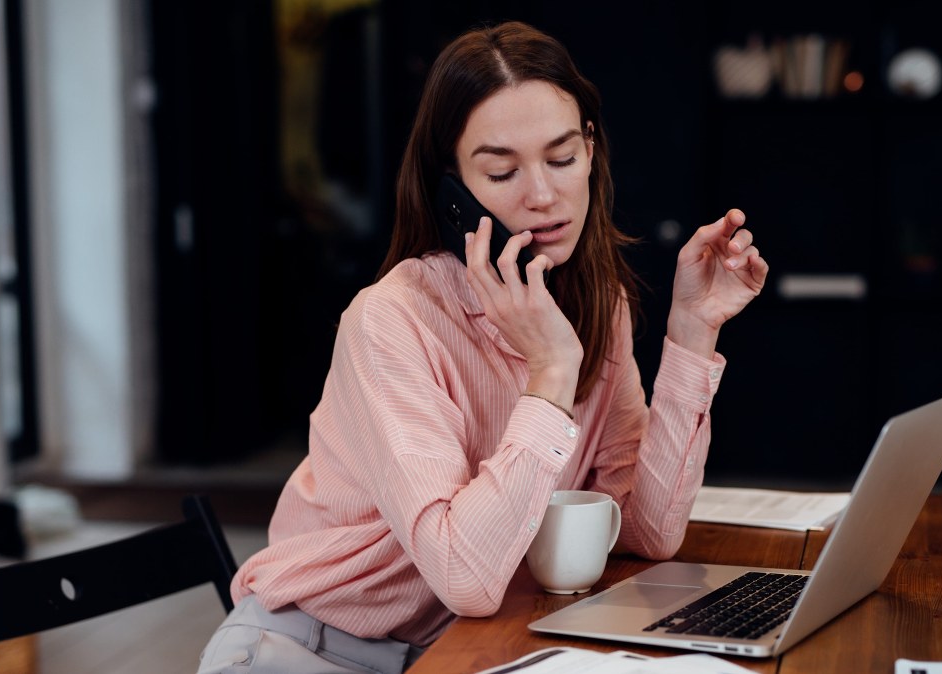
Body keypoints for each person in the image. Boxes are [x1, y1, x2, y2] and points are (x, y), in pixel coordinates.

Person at [197, 19, 768, 674]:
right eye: (501, 171)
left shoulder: (593, 301)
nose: (544, 196)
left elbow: (648, 532)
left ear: (590, 149)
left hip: (464, 649)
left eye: (561, 158)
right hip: (309, 649)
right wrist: (551, 372)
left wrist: (692, 331)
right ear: (453, 192)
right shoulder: (390, 323)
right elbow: (466, 577)